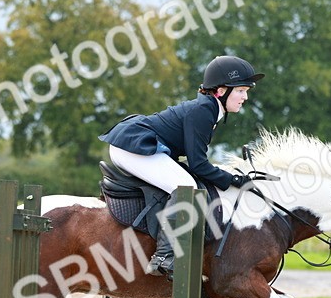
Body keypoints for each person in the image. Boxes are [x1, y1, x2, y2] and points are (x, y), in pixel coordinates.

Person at [98, 55, 262, 277]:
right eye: (241, 90)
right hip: (132, 146)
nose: (245, 97)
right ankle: (164, 256)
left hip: (133, 145)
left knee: (187, 181)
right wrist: (232, 179)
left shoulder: (209, 109)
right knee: (186, 187)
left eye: (246, 91)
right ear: (221, 91)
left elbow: (197, 161)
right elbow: (198, 164)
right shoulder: (204, 111)